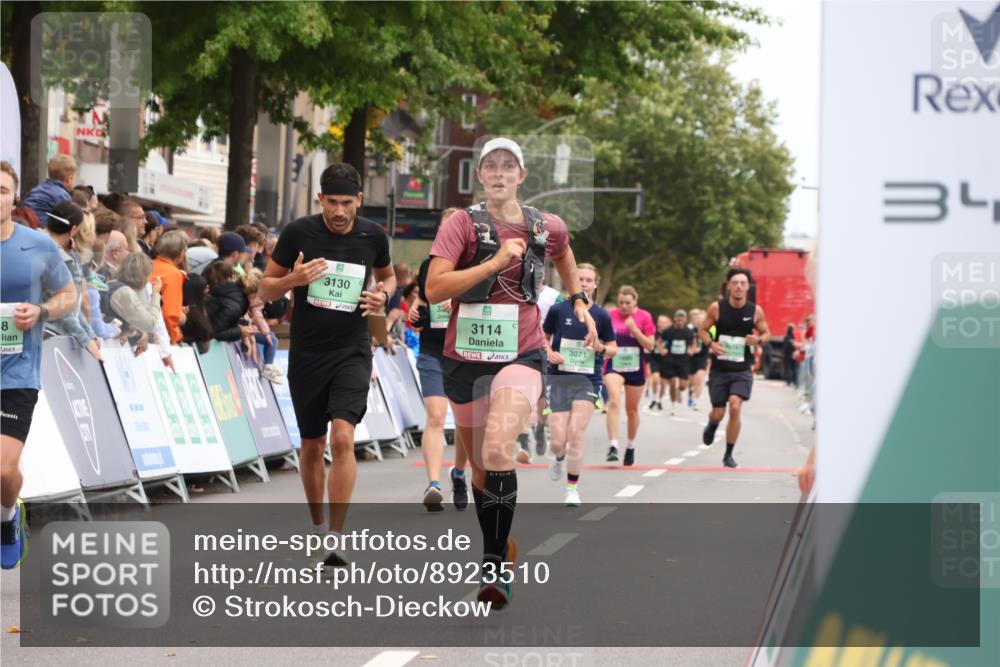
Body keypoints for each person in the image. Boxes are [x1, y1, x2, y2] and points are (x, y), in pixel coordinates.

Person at [425, 137, 596, 609]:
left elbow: (563, 253)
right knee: (483, 470)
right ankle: (502, 547)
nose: (499, 174)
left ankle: (494, 563)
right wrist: (497, 261)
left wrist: (576, 297)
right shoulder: (461, 224)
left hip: (520, 354)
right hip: (464, 359)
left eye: (508, 166)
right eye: (490, 167)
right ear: (480, 176)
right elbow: (435, 288)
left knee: (501, 448)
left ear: (521, 176)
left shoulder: (546, 226)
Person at [259, 162, 394, 568]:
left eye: (346, 203)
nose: (339, 211)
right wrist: (293, 280)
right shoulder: (300, 232)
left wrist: (382, 297)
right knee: (312, 444)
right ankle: (317, 525)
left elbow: (388, 278)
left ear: (359, 202)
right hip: (308, 352)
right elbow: (265, 287)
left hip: (352, 349)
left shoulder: (373, 235)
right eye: (331, 202)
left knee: (342, 438)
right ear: (320, 200)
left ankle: (336, 538)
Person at [1, 161, 76, 569]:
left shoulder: (38, 245)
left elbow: (69, 295)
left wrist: (42, 310)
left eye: (1, 189)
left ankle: (8, 516)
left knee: (2, 469)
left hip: (16, 371)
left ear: (14, 198)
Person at [409, 208, 469, 512]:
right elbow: (424, 301)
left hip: (466, 354)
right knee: (435, 416)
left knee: (464, 422)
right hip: (433, 350)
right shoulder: (428, 266)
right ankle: (433, 485)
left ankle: (458, 474)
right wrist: (416, 312)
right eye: (446, 229)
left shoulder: (476, 266)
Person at [543, 262, 616, 505]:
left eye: (588, 280)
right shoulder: (558, 310)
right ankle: (559, 457)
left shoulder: (602, 316)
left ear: (595, 284)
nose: (584, 283)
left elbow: (613, 348)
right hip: (559, 377)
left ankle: (572, 488)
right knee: (556, 442)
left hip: (588, 380)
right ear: (572, 282)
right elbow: (543, 338)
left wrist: (601, 347)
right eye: (580, 279)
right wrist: (549, 353)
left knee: (576, 432)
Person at [699, 267, 771, 468]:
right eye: (735, 283)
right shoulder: (717, 308)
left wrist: (757, 339)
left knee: (735, 405)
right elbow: (703, 330)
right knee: (718, 413)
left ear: (748, 287)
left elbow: (767, 334)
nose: (739, 286)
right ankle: (713, 424)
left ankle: (728, 454)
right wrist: (710, 344)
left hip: (742, 369)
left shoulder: (755, 311)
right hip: (720, 370)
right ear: (729, 286)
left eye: (742, 283)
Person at [41, 202, 104, 363]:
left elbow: (73, 306)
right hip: (46, 337)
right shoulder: (53, 255)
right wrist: (86, 339)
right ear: (73, 230)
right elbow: (61, 308)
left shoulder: (62, 254)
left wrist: (89, 334)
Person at [603, 285, 655, 465]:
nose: (623, 306)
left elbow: (650, 346)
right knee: (614, 400)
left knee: (631, 411)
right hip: (614, 365)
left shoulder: (644, 317)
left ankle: (631, 446)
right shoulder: (610, 315)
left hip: (636, 368)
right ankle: (613, 446)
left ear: (635, 302)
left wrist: (635, 330)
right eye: (620, 303)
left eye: (627, 303)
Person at [104, 252, 164, 355]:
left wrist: (136, 332)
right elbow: (149, 324)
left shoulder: (112, 284)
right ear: (143, 276)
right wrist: (155, 294)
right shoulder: (125, 293)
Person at [241, 268, 284, 383]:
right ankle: (268, 367)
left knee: (272, 335)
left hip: (247, 327)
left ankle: (269, 364)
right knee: (272, 339)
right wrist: (266, 333)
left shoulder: (248, 294)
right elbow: (258, 316)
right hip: (245, 331)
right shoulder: (256, 298)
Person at [150, 230, 188, 345]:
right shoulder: (174, 274)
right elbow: (170, 314)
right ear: (181, 254)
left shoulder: (149, 264)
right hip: (158, 335)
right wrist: (176, 337)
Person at [20, 155, 76, 226]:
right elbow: (69, 220)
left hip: (25, 224)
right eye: (73, 178)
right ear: (69, 179)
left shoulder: (38, 189)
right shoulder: (62, 195)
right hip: (41, 229)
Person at [659, 309, 696, 416]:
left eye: (682, 318)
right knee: (672, 382)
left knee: (683, 385)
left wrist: (692, 350)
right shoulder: (668, 331)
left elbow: (694, 343)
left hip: (683, 360)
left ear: (685, 319)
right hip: (670, 359)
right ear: (675, 318)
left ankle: (679, 391)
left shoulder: (688, 332)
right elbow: (659, 341)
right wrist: (662, 350)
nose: (680, 320)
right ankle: (673, 405)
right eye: (678, 318)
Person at [180, 273, 213, 354]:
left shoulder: (197, 311)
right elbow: (205, 347)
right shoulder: (196, 314)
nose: (207, 291)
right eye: (204, 290)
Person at [687, 308, 710, 410]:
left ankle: (696, 401)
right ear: (694, 320)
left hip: (702, 358)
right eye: (698, 319)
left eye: (702, 320)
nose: (700, 321)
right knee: (691, 381)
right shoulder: (689, 331)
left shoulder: (708, 330)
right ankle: (691, 390)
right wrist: (690, 349)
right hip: (690, 359)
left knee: (699, 378)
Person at [648, 314, 671, 410]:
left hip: (666, 361)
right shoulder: (653, 333)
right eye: (660, 322)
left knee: (663, 383)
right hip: (655, 359)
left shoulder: (670, 334)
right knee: (655, 379)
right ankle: (654, 397)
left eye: (664, 322)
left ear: (668, 323)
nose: (662, 324)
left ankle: (659, 400)